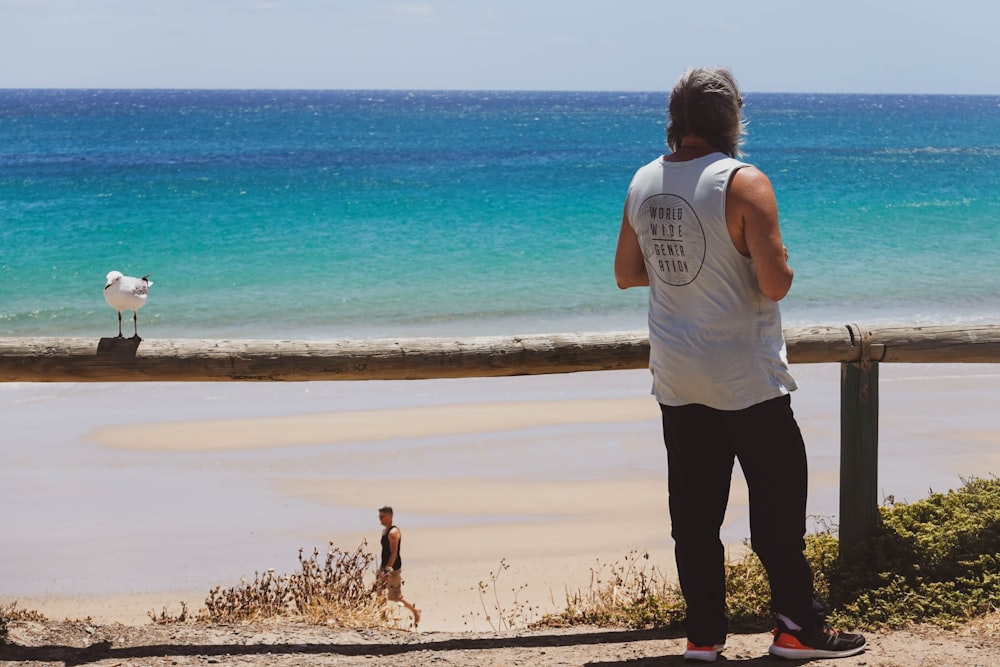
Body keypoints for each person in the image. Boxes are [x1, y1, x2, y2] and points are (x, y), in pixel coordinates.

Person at [614, 67, 866, 662]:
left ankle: (703, 638)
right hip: (746, 378)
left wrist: (688, 277)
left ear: (674, 120)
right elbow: (775, 284)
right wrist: (758, 262)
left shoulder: (644, 180)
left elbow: (627, 272)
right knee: (778, 510)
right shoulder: (743, 182)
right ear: (732, 118)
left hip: (677, 376)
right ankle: (797, 631)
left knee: (695, 519)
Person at [377, 505, 420, 627]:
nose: (380, 519)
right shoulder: (385, 531)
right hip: (383, 566)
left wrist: (387, 571)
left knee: (395, 597)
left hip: (393, 569)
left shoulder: (393, 533)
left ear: (389, 516)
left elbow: (393, 553)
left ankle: (415, 612)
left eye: (382, 517)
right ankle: (382, 620)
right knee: (379, 594)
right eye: (379, 517)